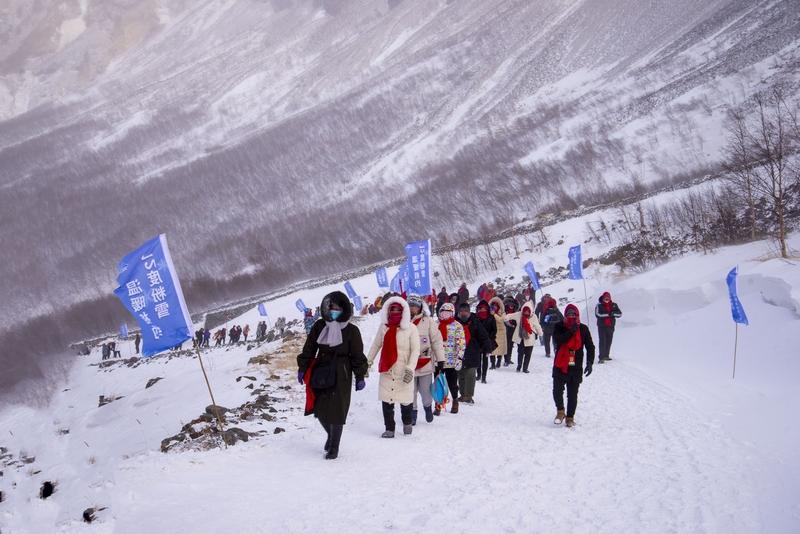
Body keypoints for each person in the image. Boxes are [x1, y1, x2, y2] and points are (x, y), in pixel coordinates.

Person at [297, 291, 368, 460]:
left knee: (337, 410)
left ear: (344, 309)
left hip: (341, 372)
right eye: (331, 307)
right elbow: (309, 348)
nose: (333, 311)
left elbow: (357, 355)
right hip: (321, 369)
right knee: (319, 408)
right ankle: (330, 434)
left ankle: (334, 447)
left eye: (337, 308)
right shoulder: (319, 326)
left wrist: (360, 376)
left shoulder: (352, 330)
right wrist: (303, 367)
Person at [366, 297, 420, 437]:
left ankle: (407, 422)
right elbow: (376, 345)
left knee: (406, 401)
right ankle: (389, 428)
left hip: (404, 371)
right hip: (387, 369)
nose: (395, 312)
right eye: (392, 310)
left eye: (398, 310)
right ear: (388, 311)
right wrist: (368, 362)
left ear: (403, 312)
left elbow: (415, 350)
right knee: (387, 401)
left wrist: (410, 368)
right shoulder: (384, 327)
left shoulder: (411, 328)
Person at [552, 304, 595, 427]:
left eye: (573, 314)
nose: (571, 316)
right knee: (557, 390)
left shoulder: (583, 328)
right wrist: (571, 331)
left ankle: (570, 417)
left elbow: (590, 346)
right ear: (565, 315)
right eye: (569, 314)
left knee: (572, 394)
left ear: (577, 315)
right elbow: (558, 340)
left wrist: (590, 362)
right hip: (561, 363)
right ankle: (560, 411)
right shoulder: (559, 326)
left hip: (575, 364)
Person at [407, 295, 445, 425]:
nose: (413, 308)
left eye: (415, 306)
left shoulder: (428, 321)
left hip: (425, 362)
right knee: (410, 391)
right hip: (409, 363)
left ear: (420, 307)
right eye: (410, 305)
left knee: (426, 391)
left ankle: (428, 408)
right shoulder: (403, 321)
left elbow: (436, 341)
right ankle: (413, 414)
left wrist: (440, 359)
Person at [456, 302, 493, 404]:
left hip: (473, 352)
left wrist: (488, 348)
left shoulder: (475, 322)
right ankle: (462, 394)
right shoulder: (455, 322)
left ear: (469, 312)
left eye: (466, 311)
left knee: (470, 374)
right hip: (459, 352)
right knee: (461, 375)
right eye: (461, 311)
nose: (463, 313)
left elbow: (484, 336)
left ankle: (469, 396)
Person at [435, 303, 466, 415]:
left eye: (448, 313)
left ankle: (455, 400)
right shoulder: (435, 324)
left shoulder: (457, 326)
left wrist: (459, 358)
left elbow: (461, 343)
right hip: (438, 360)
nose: (445, 315)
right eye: (443, 312)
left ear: (452, 313)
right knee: (438, 384)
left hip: (451, 361)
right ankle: (438, 404)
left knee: (452, 383)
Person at [506, 301, 543, 373]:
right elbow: (510, 316)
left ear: (530, 310)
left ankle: (525, 368)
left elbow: (537, 326)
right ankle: (519, 366)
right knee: (520, 353)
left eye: (528, 311)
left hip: (529, 338)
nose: (526, 312)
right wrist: (506, 318)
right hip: (520, 338)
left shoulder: (534, 316)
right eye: (525, 311)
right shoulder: (519, 314)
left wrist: (540, 333)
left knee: (528, 354)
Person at [595, 292, 622, 362]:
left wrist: (613, 313)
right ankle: (601, 357)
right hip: (602, 327)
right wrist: (609, 314)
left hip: (611, 326)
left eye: (608, 298)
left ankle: (606, 355)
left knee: (609, 341)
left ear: (610, 298)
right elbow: (598, 315)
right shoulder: (599, 305)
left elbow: (619, 314)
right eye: (605, 298)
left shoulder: (614, 305)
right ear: (603, 298)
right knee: (602, 341)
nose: (607, 299)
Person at [475, 300, 497, 384]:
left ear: (487, 308)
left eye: (484, 308)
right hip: (477, 342)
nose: (482, 310)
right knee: (477, 359)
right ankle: (478, 374)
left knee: (485, 360)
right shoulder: (476, 317)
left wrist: (489, 339)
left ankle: (484, 377)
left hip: (487, 342)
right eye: (481, 308)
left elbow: (494, 330)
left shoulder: (491, 317)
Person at [489, 297, 507, 370]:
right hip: (492, 332)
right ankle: (492, 364)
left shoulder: (503, 312)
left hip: (501, 332)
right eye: (493, 306)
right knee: (492, 349)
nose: (494, 307)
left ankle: (499, 361)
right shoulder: (489, 312)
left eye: (496, 306)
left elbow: (501, 320)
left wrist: (494, 314)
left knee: (500, 348)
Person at [502, 298, 518, 366]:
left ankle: (509, 359)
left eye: (512, 305)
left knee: (511, 345)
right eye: (510, 305)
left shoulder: (515, 311)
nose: (511, 306)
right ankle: (506, 360)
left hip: (513, 330)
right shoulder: (504, 311)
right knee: (507, 345)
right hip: (506, 329)